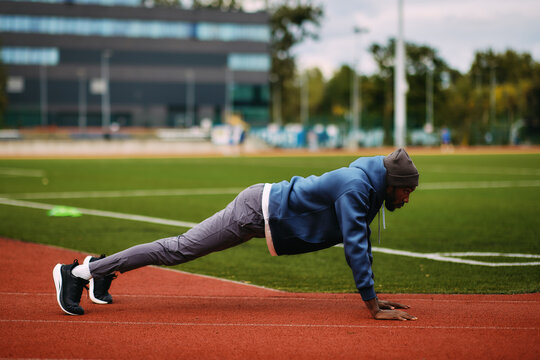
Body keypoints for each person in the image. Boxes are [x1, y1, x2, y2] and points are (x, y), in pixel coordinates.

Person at [53, 148, 419, 321]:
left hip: (262, 214)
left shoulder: (369, 188)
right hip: (253, 211)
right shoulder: (357, 187)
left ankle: (99, 269)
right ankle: (77, 274)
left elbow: (361, 241)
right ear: (394, 183)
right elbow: (354, 245)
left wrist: (375, 297)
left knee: (177, 248)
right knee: (178, 249)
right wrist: (371, 304)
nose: (405, 199)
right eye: (406, 191)